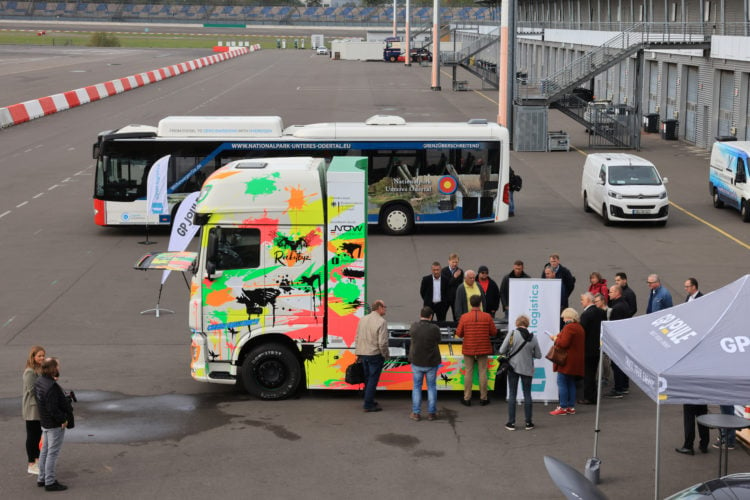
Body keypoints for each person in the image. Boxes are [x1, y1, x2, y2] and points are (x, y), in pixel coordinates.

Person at [675, 277, 707, 454]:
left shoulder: (700, 299)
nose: (685, 289)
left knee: (689, 414)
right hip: (701, 383)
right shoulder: (689, 299)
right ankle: (704, 443)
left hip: (691, 383)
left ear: (694, 286)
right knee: (702, 412)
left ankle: (689, 444)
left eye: (687, 286)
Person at [35, 357, 72, 491]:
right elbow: (53, 409)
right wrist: (63, 420)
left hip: (45, 422)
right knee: (52, 453)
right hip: (53, 424)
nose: (59, 368)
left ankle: (42, 478)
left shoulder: (39, 381)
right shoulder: (51, 387)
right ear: (53, 368)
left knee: (44, 450)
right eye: (57, 366)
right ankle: (50, 482)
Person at [499, 315, 541, 430]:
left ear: (517, 323)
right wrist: (528, 354)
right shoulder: (533, 337)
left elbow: (502, 350)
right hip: (527, 368)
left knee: (512, 394)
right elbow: (538, 355)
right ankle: (528, 423)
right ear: (527, 324)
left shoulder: (512, 334)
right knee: (527, 394)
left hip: (513, 367)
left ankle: (511, 423)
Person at [456, 295, 497, 406]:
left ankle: (467, 398)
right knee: (482, 372)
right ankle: (483, 398)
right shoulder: (487, 316)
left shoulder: (464, 317)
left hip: (469, 347)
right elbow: (494, 332)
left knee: (468, 372)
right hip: (483, 347)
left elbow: (459, 334)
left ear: (470, 304)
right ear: (480, 304)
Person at [354, 300, 389, 412]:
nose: (385, 309)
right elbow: (382, 343)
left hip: (364, 354)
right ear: (379, 307)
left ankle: (369, 399)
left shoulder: (363, 319)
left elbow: (357, 337)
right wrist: (386, 355)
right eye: (384, 307)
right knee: (373, 380)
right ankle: (368, 404)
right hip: (375, 354)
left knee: (368, 379)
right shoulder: (381, 321)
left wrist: (358, 353)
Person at [408, 306, 442, 421]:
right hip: (431, 362)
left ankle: (416, 413)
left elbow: (411, 336)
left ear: (420, 315)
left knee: (417, 387)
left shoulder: (414, 326)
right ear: (431, 316)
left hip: (417, 362)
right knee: (431, 387)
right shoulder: (435, 328)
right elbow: (439, 340)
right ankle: (431, 413)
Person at [549, 308, 585, 416]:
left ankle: (563, 407)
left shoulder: (569, 327)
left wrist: (555, 339)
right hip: (575, 360)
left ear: (568, 317)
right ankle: (570, 407)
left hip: (566, 361)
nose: (563, 319)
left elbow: (564, 343)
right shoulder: (579, 327)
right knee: (571, 383)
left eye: (564, 317)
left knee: (562, 382)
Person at [605, 285, 633, 398]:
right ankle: (624, 386)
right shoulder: (623, 304)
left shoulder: (617, 308)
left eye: (611, 292)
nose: (608, 294)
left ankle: (618, 389)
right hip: (624, 339)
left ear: (617, 293)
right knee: (623, 364)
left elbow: (614, 326)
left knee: (617, 365)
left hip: (618, 341)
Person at [579, 292, 606, 404]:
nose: (581, 302)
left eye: (582, 300)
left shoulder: (586, 315)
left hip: (587, 349)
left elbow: (582, 332)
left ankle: (588, 397)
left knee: (588, 374)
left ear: (588, 301)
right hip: (597, 347)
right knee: (593, 372)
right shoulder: (601, 312)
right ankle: (593, 396)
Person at [23, 345, 46, 475]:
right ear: (33, 357)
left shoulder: (39, 369)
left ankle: (37, 461)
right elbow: (32, 390)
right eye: (39, 356)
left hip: (37, 408)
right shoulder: (29, 372)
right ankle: (31, 463)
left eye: (43, 355)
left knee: (37, 435)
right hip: (32, 409)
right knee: (32, 436)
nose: (42, 358)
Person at [441, 253, 464, 321]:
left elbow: (460, 285)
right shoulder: (444, 271)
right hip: (446, 298)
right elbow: (446, 284)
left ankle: (457, 330)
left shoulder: (460, 271)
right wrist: (454, 277)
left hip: (455, 298)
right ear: (449, 261)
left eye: (456, 262)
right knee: (442, 316)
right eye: (453, 262)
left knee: (456, 316)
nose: (455, 264)